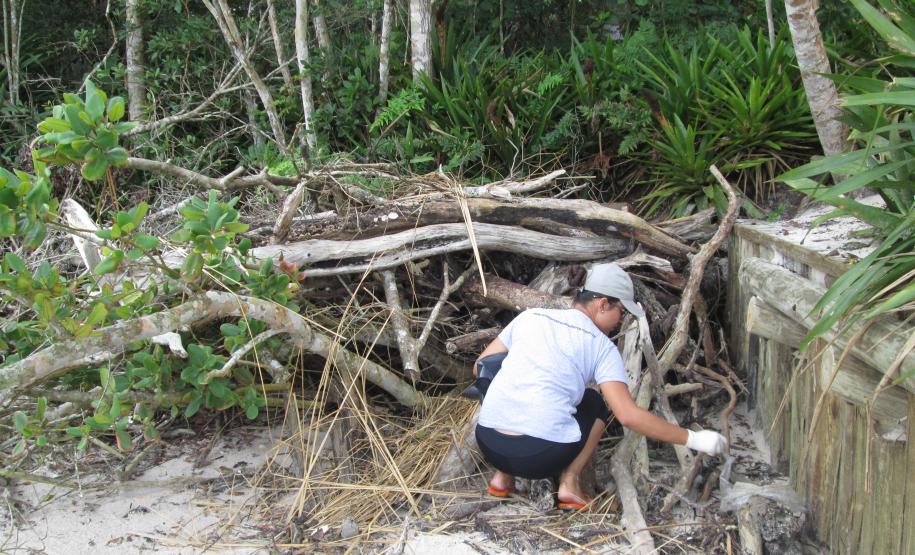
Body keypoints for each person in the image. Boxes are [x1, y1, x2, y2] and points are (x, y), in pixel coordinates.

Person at [474, 263, 728, 510]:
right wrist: (694, 439)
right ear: (603, 304)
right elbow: (628, 416)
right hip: (539, 458)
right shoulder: (601, 346)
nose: (621, 320)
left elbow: (481, 367)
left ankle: (502, 477)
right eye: (622, 311)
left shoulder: (530, 317)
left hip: (488, 443)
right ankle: (570, 483)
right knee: (594, 402)